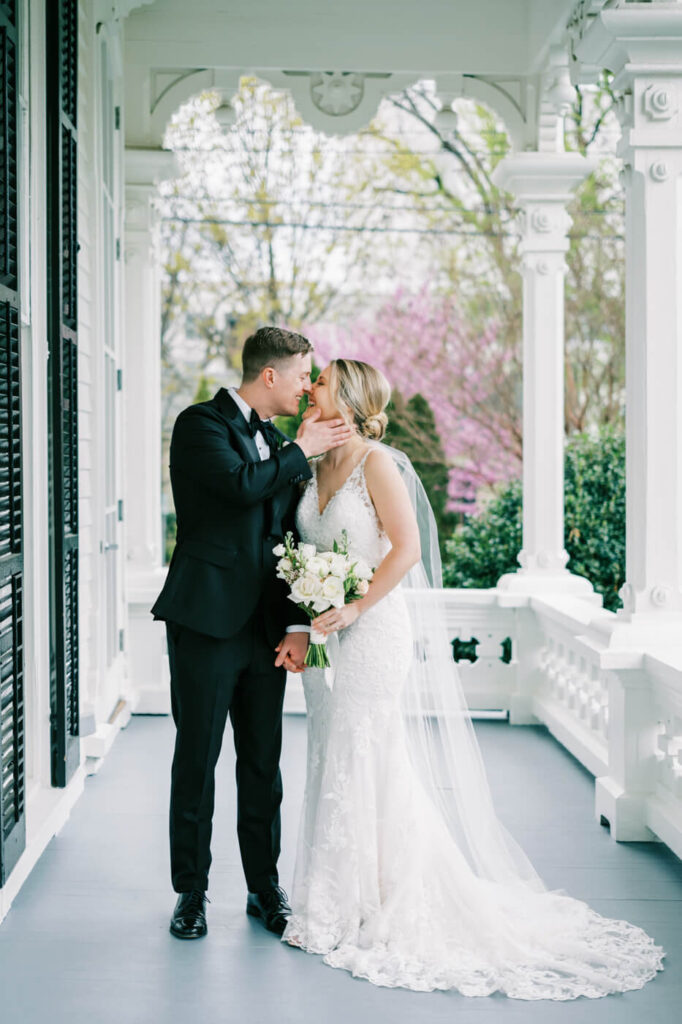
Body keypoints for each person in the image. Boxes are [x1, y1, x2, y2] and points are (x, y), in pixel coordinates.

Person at [282, 357, 664, 1000]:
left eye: (317, 381)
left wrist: (353, 606)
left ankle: (361, 903)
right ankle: (342, 894)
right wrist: (308, 617)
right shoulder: (313, 464)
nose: (307, 387)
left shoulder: (378, 462)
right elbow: (306, 555)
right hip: (326, 639)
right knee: (334, 752)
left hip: (371, 631)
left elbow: (403, 549)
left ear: (343, 396)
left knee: (364, 749)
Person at [151, 327, 352, 941]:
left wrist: (297, 621)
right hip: (205, 623)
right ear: (270, 376)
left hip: (267, 631)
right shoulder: (199, 425)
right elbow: (240, 488)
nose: (306, 387)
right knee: (197, 759)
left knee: (263, 765)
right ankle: (191, 892)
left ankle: (265, 889)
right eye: (301, 376)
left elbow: (291, 540)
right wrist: (301, 450)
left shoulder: (278, 441)